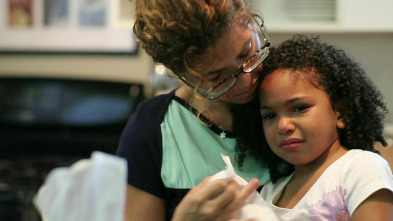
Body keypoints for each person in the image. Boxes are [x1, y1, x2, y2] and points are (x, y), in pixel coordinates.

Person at [116, 0, 272, 220]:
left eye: (246, 52)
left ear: (250, 19)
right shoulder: (151, 131)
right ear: (181, 75)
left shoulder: (297, 92)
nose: (247, 82)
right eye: (217, 77)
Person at [236, 35, 393, 220]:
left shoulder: (360, 168)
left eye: (300, 108)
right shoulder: (270, 192)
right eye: (269, 116)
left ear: (340, 112)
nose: (283, 126)